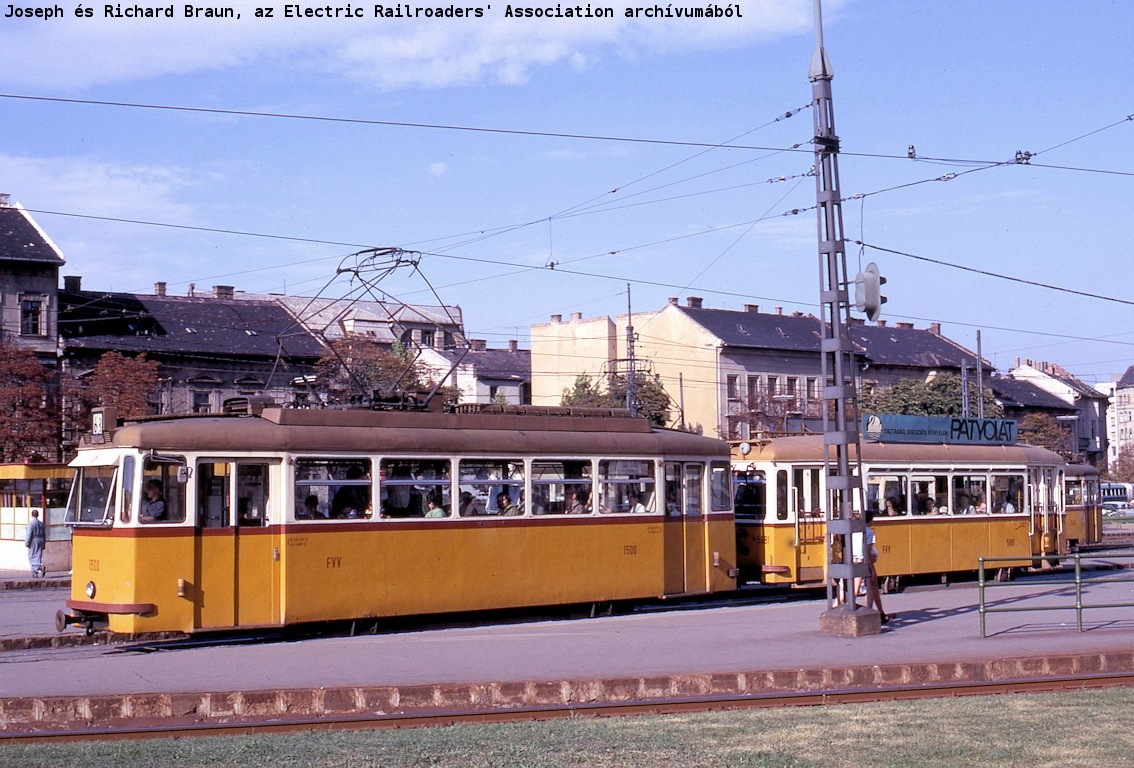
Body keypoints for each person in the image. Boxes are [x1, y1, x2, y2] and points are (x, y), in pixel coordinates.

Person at [25, 509, 46, 578]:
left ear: (32, 515)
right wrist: (44, 543)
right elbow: (44, 534)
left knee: (32, 556)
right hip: (41, 539)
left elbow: (29, 534)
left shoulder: (31, 524)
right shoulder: (41, 524)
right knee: (38, 555)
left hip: (34, 540)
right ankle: (38, 568)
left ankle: (36, 569)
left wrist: (27, 542)